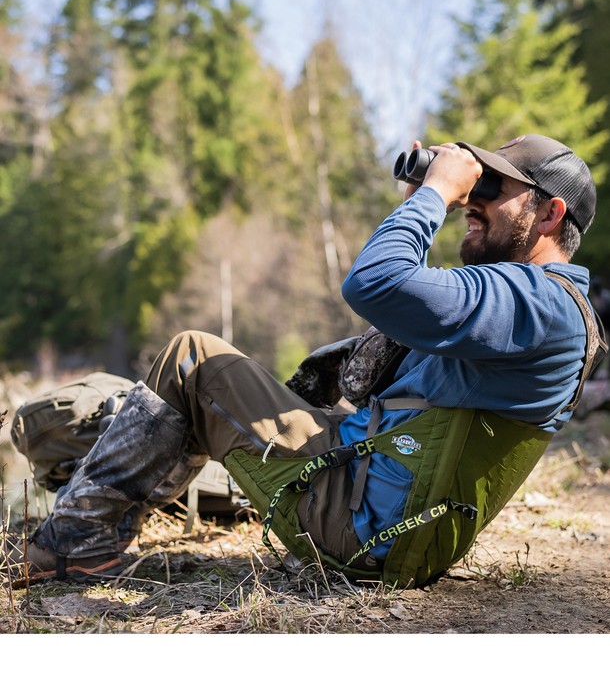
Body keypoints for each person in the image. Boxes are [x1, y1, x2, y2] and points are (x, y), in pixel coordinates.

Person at [11, 133, 606, 588]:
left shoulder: (537, 302)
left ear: (551, 215)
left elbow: (375, 282)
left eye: (493, 192)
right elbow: (374, 352)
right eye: (475, 189)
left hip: (363, 529)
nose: (474, 203)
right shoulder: (528, 306)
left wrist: (433, 197)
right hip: (379, 507)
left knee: (191, 356)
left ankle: (73, 545)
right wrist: (426, 199)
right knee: (110, 413)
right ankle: (109, 507)